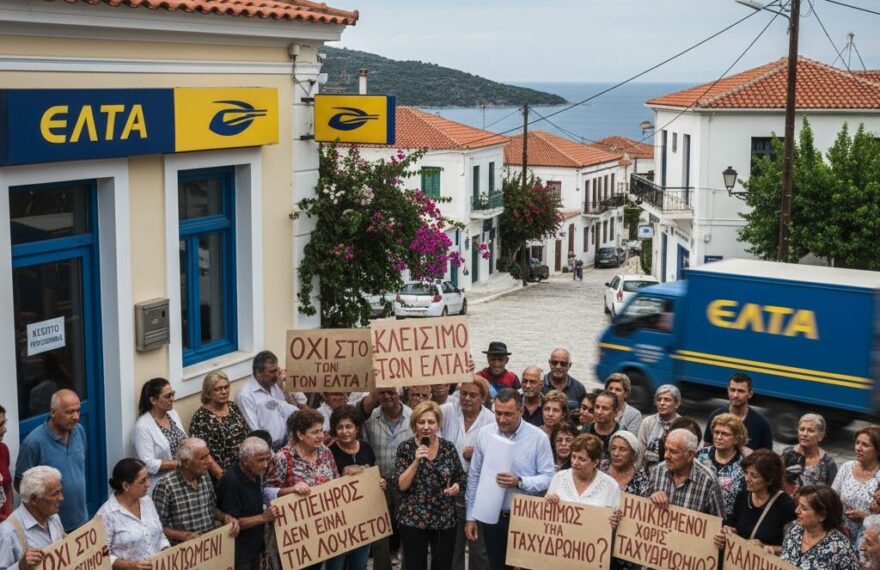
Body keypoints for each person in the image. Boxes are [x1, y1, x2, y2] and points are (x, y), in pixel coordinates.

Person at [464, 389, 554, 570]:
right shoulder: (485, 434)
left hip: (525, 518)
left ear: (521, 411)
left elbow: (548, 477)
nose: (502, 419)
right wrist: (470, 517)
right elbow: (474, 476)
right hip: (493, 518)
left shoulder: (538, 438)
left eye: (508, 414)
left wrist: (520, 481)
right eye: (498, 413)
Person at [394, 401, 465, 570]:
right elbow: (401, 485)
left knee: (443, 565)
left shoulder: (448, 447)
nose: (426, 427)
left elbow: (460, 477)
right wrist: (416, 461)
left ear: (438, 424)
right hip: (413, 518)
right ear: (414, 424)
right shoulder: (405, 448)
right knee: (414, 565)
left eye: (431, 422)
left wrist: (456, 486)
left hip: (444, 517)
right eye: (421, 422)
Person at [440, 376, 494, 570]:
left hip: (477, 487)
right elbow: (426, 418)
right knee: (453, 542)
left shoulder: (491, 420)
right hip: (450, 485)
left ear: (483, 398)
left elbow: (498, 456)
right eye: (464, 394)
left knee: (477, 543)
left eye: (473, 395)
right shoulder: (447, 410)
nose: (467, 399)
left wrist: (479, 452)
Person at [14, 389, 87, 531]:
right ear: (53, 412)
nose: (76, 417)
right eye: (70, 412)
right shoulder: (33, 443)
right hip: (50, 526)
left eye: (78, 410)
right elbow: (21, 485)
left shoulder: (79, 431)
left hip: (80, 519)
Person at [326, 406, 384, 570]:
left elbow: (373, 472)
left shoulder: (366, 447)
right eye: (339, 427)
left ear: (357, 428)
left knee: (360, 564)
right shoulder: (329, 453)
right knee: (337, 565)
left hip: (363, 517)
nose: (344, 432)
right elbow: (326, 487)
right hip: (339, 520)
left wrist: (379, 482)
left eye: (349, 427)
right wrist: (342, 477)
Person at [362, 387, 413, 570]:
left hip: (406, 483)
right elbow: (365, 448)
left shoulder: (412, 417)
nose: (387, 396)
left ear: (400, 393)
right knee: (379, 535)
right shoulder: (370, 418)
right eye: (382, 393)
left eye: (391, 392)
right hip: (379, 482)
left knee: (408, 531)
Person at [153, 438, 239, 545]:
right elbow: (157, 527)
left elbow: (210, 508)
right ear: (186, 463)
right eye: (202, 458)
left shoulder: (205, 476)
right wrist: (184, 535)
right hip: (184, 550)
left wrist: (226, 517)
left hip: (208, 546)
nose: (209, 462)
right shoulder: (165, 485)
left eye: (208, 456)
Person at [715, 449, 796, 554]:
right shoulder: (743, 496)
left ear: (769, 480)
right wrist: (729, 532)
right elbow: (735, 526)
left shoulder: (785, 505)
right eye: (746, 473)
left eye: (754, 476)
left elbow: (792, 548)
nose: (747, 479)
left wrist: (765, 547)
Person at [217, 437, 279, 570]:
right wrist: (264, 517)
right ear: (245, 460)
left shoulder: (255, 473)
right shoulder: (231, 481)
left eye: (267, 459)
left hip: (255, 545)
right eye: (260, 460)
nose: (265, 465)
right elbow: (232, 523)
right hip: (240, 552)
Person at [98, 458, 170, 569]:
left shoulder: (147, 501)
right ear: (126, 486)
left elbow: (159, 534)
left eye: (147, 479)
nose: (148, 484)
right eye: (142, 481)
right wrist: (128, 565)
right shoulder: (107, 514)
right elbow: (101, 555)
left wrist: (166, 549)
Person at [0, 466, 65, 570]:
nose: (61, 498)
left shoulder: (54, 517)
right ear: (34, 499)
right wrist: (20, 566)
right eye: (54, 494)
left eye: (60, 491)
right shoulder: (7, 532)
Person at [189, 370, 251, 479]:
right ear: (208, 393)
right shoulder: (201, 418)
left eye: (226, 387)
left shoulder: (232, 407)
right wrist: (222, 476)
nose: (224, 392)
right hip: (222, 474)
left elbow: (246, 433)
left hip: (245, 467)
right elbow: (203, 453)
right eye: (218, 389)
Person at [780, 485, 859, 569]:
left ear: (822, 515)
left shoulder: (842, 549)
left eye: (804, 508)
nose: (796, 511)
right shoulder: (794, 529)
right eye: (798, 505)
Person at [649, 428, 724, 517]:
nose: (666, 456)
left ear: (690, 455)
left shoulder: (708, 481)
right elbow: (640, 508)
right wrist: (651, 498)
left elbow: (717, 521)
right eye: (666, 449)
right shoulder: (658, 471)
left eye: (673, 452)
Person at [236, 351, 300, 451]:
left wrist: (283, 387)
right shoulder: (245, 395)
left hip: (286, 442)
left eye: (277, 370)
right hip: (267, 448)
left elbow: (289, 410)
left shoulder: (274, 384)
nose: (276, 375)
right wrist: (270, 454)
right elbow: (254, 431)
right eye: (271, 372)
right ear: (258, 372)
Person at [266, 408, 338, 497]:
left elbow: (336, 478)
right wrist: (292, 489)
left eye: (321, 431)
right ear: (300, 435)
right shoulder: (283, 457)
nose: (321, 436)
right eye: (315, 432)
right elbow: (267, 492)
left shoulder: (325, 452)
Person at [832, 425, 880, 545]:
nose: (858, 448)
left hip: (868, 541)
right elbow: (832, 497)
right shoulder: (846, 467)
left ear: (878, 450)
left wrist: (865, 517)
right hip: (840, 534)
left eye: (865, 445)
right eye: (857, 443)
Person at [696, 413, 747, 520]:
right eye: (716, 432)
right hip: (697, 516)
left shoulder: (744, 465)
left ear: (736, 438)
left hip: (726, 521)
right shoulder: (700, 455)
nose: (719, 437)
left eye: (725, 434)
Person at [546, 433, 620, 507]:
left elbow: (616, 512)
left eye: (581, 459)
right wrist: (548, 500)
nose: (575, 463)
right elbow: (546, 509)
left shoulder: (611, 486)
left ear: (595, 462)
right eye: (573, 457)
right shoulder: (558, 478)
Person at [703, 373, 772, 451]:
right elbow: (706, 447)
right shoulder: (716, 416)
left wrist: (751, 454)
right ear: (728, 390)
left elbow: (767, 455)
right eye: (732, 390)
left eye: (741, 391)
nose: (735, 395)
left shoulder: (761, 424)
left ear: (750, 394)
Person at [781, 413, 838, 489]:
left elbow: (832, 491)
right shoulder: (788, 454)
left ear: (821, 436)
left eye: (811, 431)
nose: (804, 434)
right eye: (802, 429)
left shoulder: (828, 463)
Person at [638, 384, 681, 468]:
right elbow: (640, 452)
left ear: (677, 404)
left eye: (667, 400)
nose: (662, 403)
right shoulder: (647, 422)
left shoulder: (683, 425)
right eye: (659, 399)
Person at [602, 431, 651, 497]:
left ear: (633, 454)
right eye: (613, 448)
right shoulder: (601, 467)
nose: (616, 453)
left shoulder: (641, 478)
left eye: (622, 449)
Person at [542, 348, 587, 413]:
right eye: (554, 363)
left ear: (569, 365)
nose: (558, 367)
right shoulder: (539, 385)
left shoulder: (579, 388)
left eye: (563, 364)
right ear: (549, 363)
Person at [583, 390, 623, 460]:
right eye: (597, 407)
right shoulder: (586, 428)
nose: (599, 412)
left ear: (615, 412)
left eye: (605, 408)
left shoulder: (621, 432)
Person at [0, 404, 11, 523]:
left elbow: (7, 487)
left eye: (4, 423)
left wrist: (9, 516)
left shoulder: (3, 450)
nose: (4, 430)